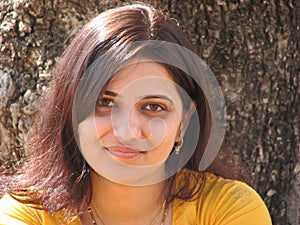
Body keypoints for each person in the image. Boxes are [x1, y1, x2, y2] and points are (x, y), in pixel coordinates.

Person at [0, 3, 272, 225]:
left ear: (185, 121)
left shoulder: (229, 209)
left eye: (153, 107)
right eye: (105, 102)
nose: (127, 131)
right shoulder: (25, 214)